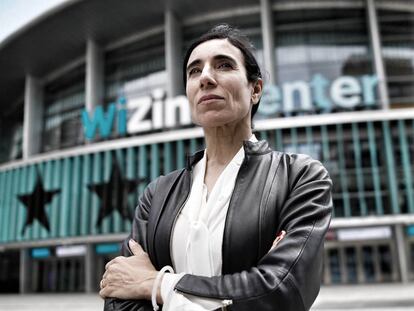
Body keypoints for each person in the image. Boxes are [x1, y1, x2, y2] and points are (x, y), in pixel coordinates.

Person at [99, 24, 333, 311]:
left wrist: (157, 285)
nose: (206, 78)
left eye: (223, 65)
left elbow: (280, 292)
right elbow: (119, 292)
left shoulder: (300, 177)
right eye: (194, 71)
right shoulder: (157, 194)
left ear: (255, 89)